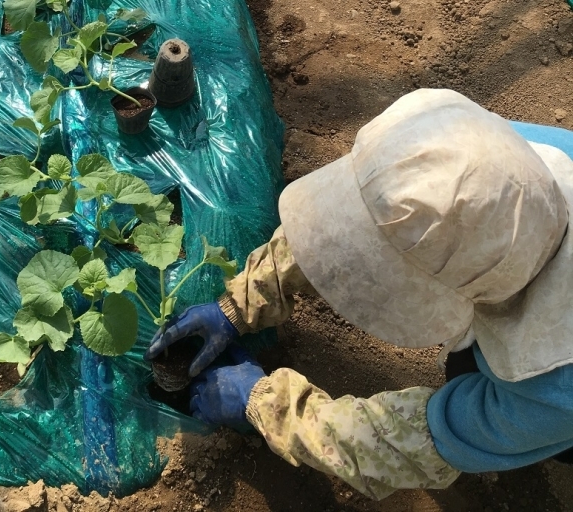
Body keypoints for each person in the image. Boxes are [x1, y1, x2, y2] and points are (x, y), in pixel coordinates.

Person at [144, 89, 573, 500]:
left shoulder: (553, 390)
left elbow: (416, 443)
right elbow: (376, 216)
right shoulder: (492, 160)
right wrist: (247, 298)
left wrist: (269, 406)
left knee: (489, 390)